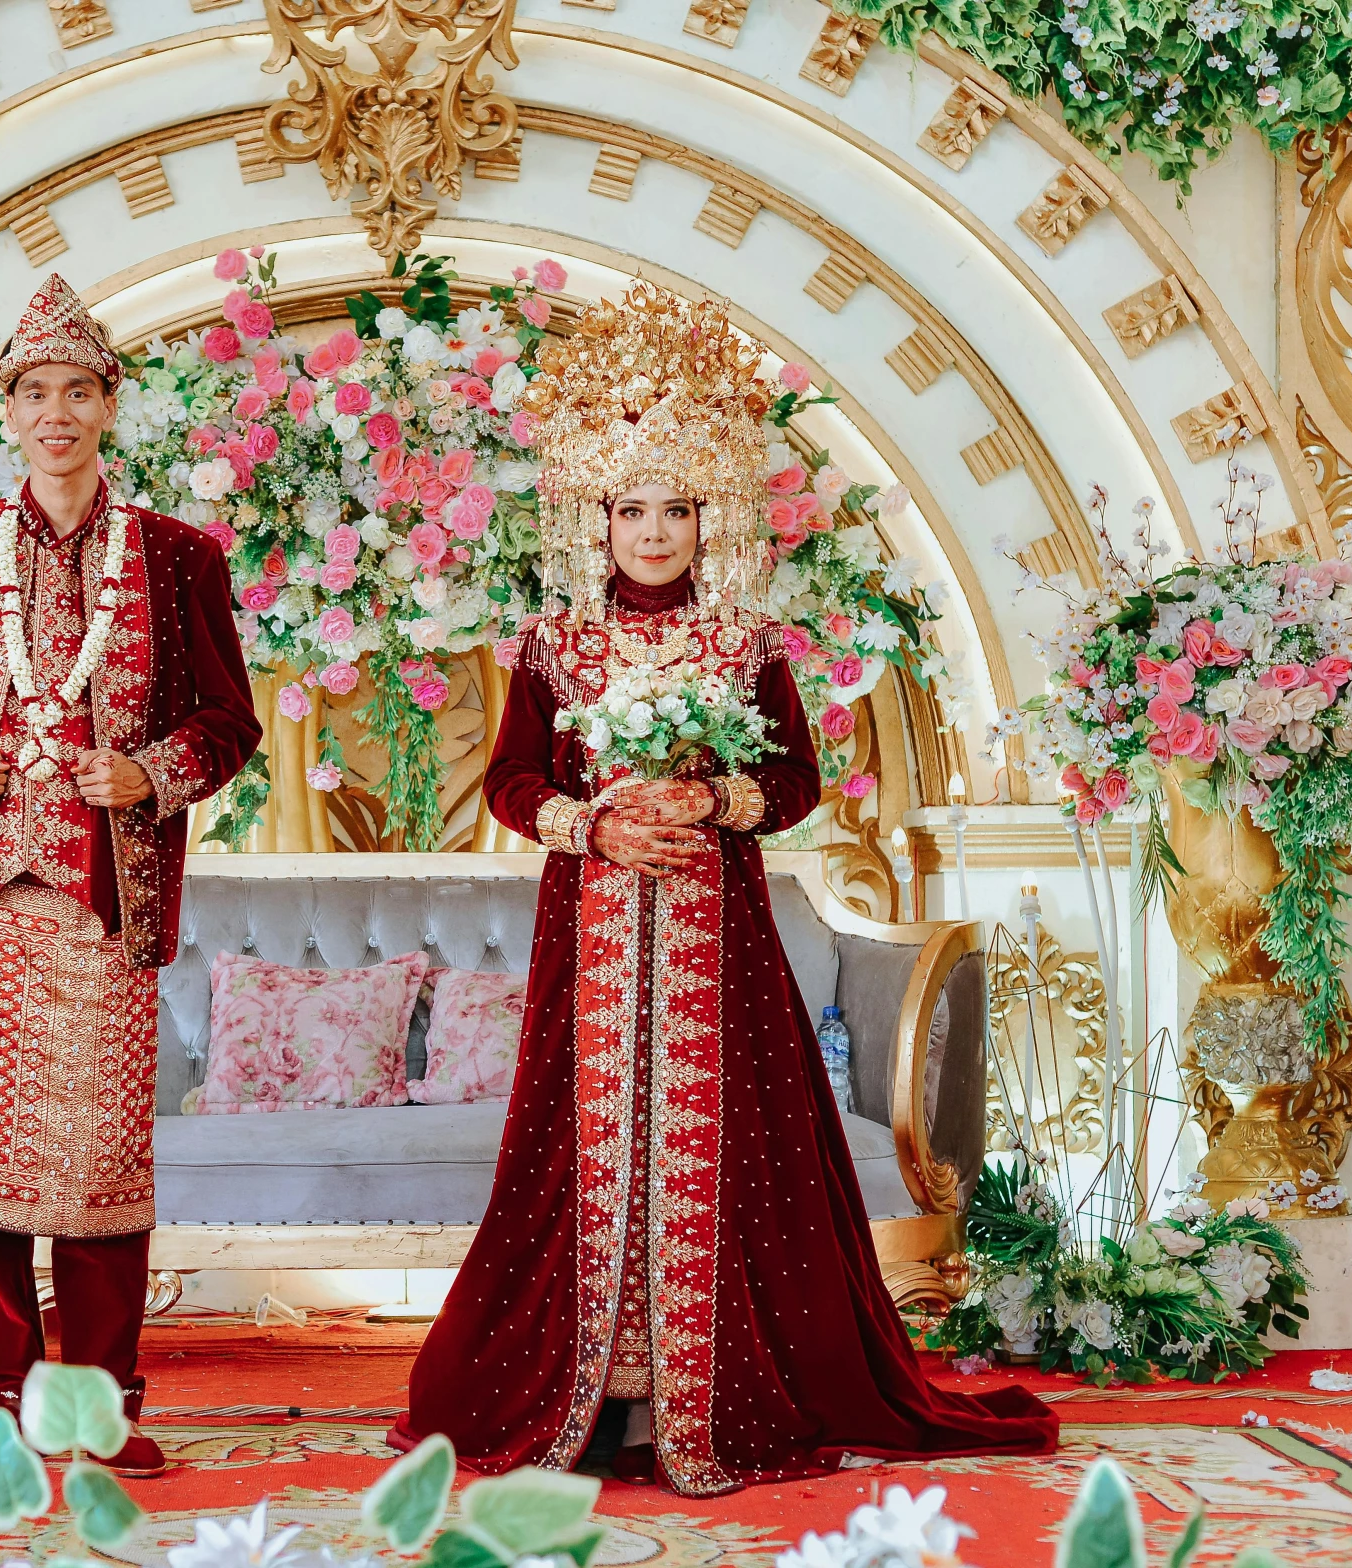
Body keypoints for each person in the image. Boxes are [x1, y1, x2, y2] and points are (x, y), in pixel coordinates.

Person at [389, 282, 1057, 1496]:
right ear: (597, 516)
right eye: (632, 506)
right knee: (580, 1149)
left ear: (712, 516)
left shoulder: (748, 642)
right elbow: (511, 780)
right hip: (592, 926)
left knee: (727, 1147)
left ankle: (705, 1392)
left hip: (716, 931)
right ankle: (594, 1392)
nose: (653, 530)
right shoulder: (551, 643)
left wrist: (714, 800)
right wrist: (590, 820)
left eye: (677, 506)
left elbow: (798, 777)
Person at [0, 273, 261, 1476]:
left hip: (104, 904)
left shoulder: (175, 554)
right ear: (8, 410)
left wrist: (148, 775)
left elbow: (228, 721)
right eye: (34, 391)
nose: (56, 411)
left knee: (97, 1162)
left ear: (110, 405)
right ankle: (3, 1396)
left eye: (78, 391)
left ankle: (99, 1400)